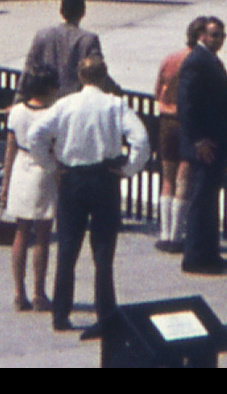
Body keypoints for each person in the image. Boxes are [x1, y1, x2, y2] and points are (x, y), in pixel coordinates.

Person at [27, 55, 150, 332]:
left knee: (67, 250)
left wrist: (50, 165)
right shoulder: (115, 105)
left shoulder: (65, 104)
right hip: (105, 178)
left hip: (73, 178)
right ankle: (105, 313)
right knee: (104, 252)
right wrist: (129, 169)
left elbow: (35, 134)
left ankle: (61, 314)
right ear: (104, 76)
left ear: (80, 77)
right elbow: (141, 140)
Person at [177, 16, 227, 275]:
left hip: (216, 142)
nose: (220, 40)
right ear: (201, 36)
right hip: (205, 144)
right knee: (201, 199)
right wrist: (198, 140)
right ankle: (195, 256)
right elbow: (187, 105)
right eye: (215, 35)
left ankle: (209, 253)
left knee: (208, 199)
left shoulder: (208, 60)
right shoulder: (196, 62)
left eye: (222, 35)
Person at [1, 66, 59, 312]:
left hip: (20, 168)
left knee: (21, 233)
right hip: (43, 169)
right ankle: (38, 292)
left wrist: (5, 183)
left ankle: (18, 292)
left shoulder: (16, 112)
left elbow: (9, 148)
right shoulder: (52, 114)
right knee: (43, 236)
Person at [152, 17, 205, 254]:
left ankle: (164, 233)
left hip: (166, 119)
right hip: (186, 122)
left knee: (167, 176)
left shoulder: (170, 59)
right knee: (184, 177)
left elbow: (157, 91)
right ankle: (177, 235)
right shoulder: (200, 62)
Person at [23, 0, 102, 97]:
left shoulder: (42, 35)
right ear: (83, 13)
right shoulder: (89, 40)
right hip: (73, 104)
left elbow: (28, 72)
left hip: (45, 101)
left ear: (61, 11)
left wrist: (17, 102)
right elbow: (98, 73)